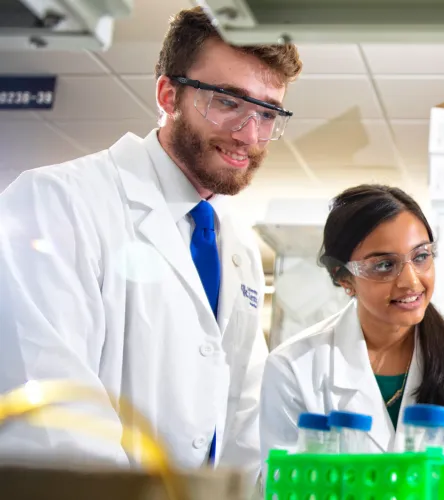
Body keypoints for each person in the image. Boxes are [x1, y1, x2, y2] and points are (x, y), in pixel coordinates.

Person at [0, 6, 301, 477]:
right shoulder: (57, 202)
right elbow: (56, 414)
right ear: (168, 94)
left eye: (267, 113)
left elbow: (243, 412)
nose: (249, 134)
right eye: (227, 102)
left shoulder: (235, 246)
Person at [259, 184, 444, 498]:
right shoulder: (293, 367)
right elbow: (284, 490)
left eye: (421, 257)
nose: (411, 281)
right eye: (384, 265)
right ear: (344, 278)